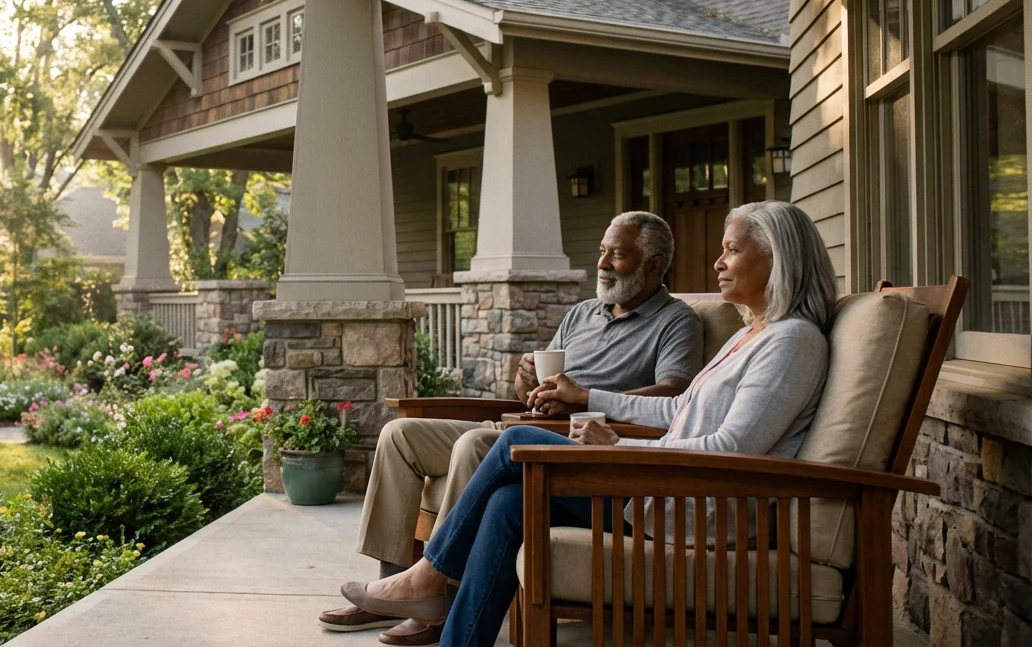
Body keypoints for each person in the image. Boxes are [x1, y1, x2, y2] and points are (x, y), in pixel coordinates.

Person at [338, 200, 837, 647]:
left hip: (696, 507)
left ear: (776, 258)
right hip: (663, 492)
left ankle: (428, 576)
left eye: (731, 250)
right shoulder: (751, 334)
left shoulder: (792, 341)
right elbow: (678, 409)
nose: (717, 262)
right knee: (511, 502)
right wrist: (592, 402)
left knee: (513, 441)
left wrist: (618, 450)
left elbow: (730, 449)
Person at [320, 212, 704, 645]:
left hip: (574, 439)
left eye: (617, 255)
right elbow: (541, 385)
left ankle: (437, 599)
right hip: (522, 422)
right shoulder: (581, 313)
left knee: (473, 443)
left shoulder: (676, 321)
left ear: (653, 264)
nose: (602, 263)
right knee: (399, 434)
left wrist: (584, 395)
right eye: (602, 251)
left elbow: (677, 392)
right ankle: (391, 589)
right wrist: (526, 383)